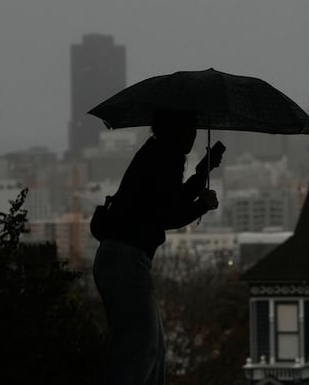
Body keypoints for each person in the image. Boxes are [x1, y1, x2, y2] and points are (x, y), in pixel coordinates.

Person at [92, 108, 223, 385]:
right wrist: (203, 204)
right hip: (127, 260)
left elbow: (167, 202)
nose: (193, 135)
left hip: (119, 258)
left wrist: (202, 173)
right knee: (141, 350)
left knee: (151, 349)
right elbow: (167, 215)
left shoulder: (156, 153)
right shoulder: (166, 158)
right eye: (189, 129)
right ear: (176, 131)